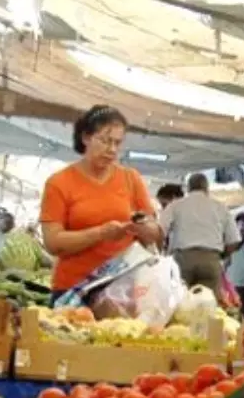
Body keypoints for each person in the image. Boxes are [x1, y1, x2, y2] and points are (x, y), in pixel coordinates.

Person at [39, 105, 163, 302]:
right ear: (86, 137)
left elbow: (154, 233)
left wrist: (146, 228)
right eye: (105, 141)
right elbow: (53, 242)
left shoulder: (131, 178)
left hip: (121, 290)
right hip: (72, 289)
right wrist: (100, 233)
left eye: (117, 143)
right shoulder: (59, 183)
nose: (112, 150)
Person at [160, 172, 240, 301]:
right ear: (207, 188)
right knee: (208, 305)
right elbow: (234, 241)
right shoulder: (220, 207)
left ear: (188, 188)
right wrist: (221, 255)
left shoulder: (176, 205)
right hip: (210, 259)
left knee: (181, 304)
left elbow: (160, 230)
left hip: (183, 259)